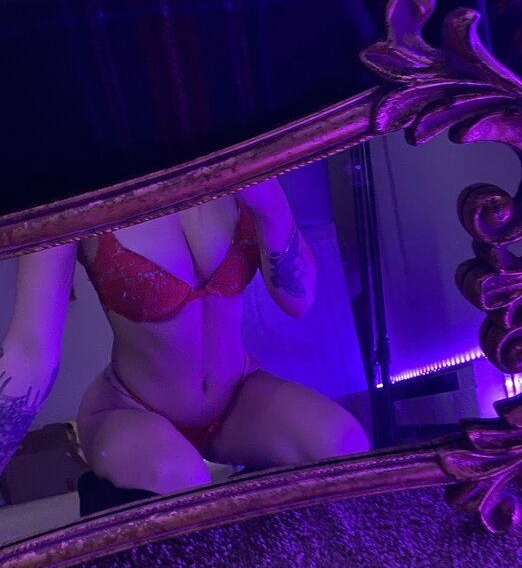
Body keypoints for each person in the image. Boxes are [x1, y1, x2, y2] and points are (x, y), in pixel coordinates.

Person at [0, 178, 369, 498]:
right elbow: (30, 352)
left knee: (344, 446)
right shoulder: (73, 186)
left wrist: (270, 204)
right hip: (130, 407)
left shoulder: (233, 147)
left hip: (237, 394)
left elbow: (299, 300)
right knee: (182, 483)